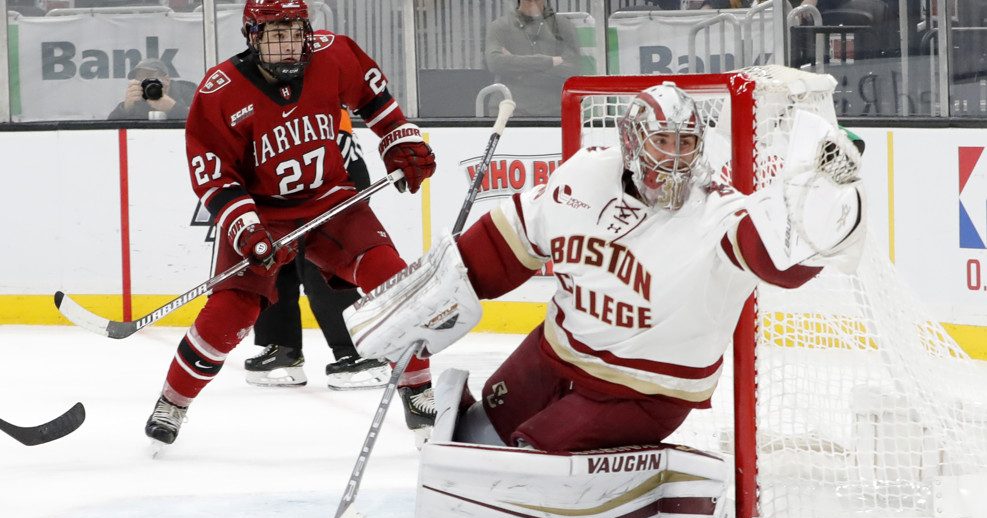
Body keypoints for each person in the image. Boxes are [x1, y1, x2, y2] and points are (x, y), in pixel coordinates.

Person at [346, 81, 866, 454]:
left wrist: (819, 200)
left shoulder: (718, 210)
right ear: (633, 140)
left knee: (530, 457)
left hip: (645, 392)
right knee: (472, 440)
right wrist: (429, 301)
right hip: (554, 355)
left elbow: (777, 262)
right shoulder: (585, 176)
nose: (676, 158)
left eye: (687, 143)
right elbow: (505, 248)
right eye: (664, 141)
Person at [143, 0, 437, 447]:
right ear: (252, 36)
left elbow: (375, 100)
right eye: (276, 36)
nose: (289, 47)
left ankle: (419, 394)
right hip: (260, 212)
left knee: (392, 280)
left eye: (295, 34)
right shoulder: (219, 90)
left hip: (331, 202)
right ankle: (173, 402)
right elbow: (213, 176)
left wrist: (398, 138)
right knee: (230, 314)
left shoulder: (334, 54)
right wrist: (247, 229)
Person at [244, 108, 389, 390]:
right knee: (272, 267)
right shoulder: (259, 107)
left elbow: (356, 169)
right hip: (283, 206)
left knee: (320, 274)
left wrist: (342, 210)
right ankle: (283, 349)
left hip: (328, 206)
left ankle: (359, 353)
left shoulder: (326, 106)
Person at [485, 0, 581, 117]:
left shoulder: (563, 26)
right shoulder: (500, 26)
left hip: (554, 113)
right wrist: (549, 61)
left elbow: (573, 71)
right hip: (509, 111)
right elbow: (495, 63)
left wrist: (518, 69)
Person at [107, 58, 196, 120]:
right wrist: (126, 108)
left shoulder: (188, 94)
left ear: (167, 80)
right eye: (140, 78)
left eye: (150, 77)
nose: (146, 83)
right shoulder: (139, 100)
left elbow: (201, 123)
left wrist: (172, 108)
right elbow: (109, 130)